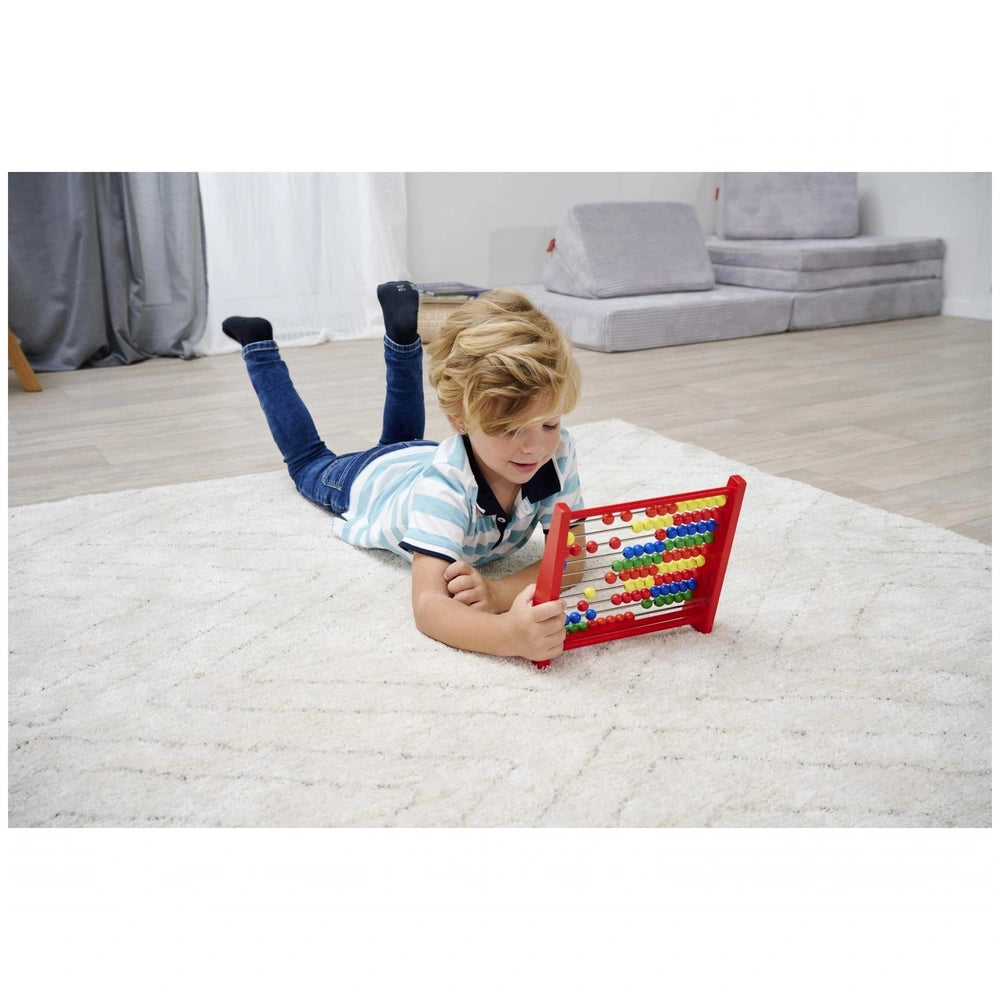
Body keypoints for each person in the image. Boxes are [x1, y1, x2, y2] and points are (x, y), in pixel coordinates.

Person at [222, 281, 585, 663]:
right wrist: (505, 635)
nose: (535, 446)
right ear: (460, 421)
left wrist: (497, 593)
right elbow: (429, 606)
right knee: (308, 461)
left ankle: (401, 331)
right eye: (511, 429)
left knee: (404, 437)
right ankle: (259, 346)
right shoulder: (444, 487)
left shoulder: (555, 453)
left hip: (421, 455)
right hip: (367, 479)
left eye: (549, 423)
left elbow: (572, 557)